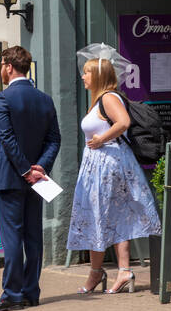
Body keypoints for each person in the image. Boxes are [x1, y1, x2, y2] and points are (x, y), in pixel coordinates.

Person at [67, 55, 161, 294]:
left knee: (100, 215)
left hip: (108, 165)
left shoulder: (108, 97)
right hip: (100, 165)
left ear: (98, 76)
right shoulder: (100, 99)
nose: (83, 77)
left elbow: (124, 122)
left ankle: (104, 272)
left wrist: (101, 138)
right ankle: (119, 271)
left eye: (87, 73)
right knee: (109, 215)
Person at [0, 45, 61, 311]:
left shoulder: (3, 99)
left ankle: (12, 294)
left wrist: (25, 170)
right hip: (37, 181)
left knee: (12, 239)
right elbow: (54, 140)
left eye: (1, 67)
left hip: (12, 178)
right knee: (33, 237)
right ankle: (31, 291)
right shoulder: (45, 99)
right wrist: (39, 167)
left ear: (8, 67)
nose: (2, 72)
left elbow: (7, 139)